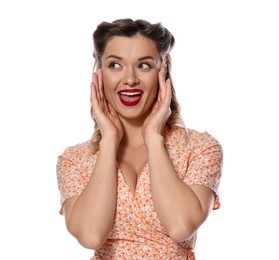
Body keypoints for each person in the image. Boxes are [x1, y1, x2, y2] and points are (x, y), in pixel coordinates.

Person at [56, 18, 223, 259]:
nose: (130, 79)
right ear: (99, 74)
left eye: (144, 65)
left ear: (162, 72)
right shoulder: (74, 160)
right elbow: (91, 236)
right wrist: (110, 140)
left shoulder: (200, 149)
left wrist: (153, 137)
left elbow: (180, 227)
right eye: (115, 65)